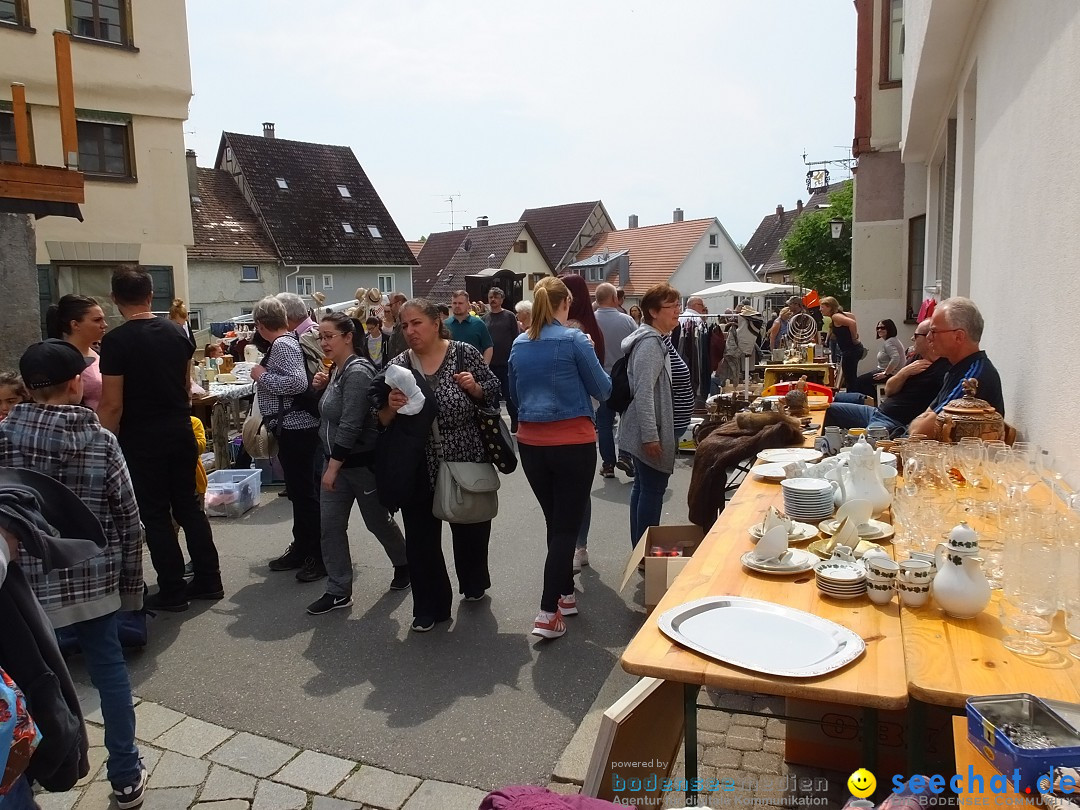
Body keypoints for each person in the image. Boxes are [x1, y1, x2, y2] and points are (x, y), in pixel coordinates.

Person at [1, 339, 147, 808]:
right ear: (74, 384)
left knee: (29, 680)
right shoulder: (101, 441)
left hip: (25, 588)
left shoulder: (3, 438)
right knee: (111, 677)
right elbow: (127, 517)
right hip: (94, 581)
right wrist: (131, 588)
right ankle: (125, 775)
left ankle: (40, 766)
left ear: (26, 387)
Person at [98, 266, 221, 612]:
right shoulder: (177, 332)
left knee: (154, 513)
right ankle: (209, 579)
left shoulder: (116, 341)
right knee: (188, 505)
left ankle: (172, 589)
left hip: (141, 435)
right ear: (151, 295)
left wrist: (103, 442)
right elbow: (186, 385)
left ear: (114, 299)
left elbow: (111, 403)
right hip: (179, 425)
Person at [376, 299, 501, 632]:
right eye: (404, 326)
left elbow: (493, 390)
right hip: (417, 461)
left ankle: (474, 582)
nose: (410, 331)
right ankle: (429, 606)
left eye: (416, 323)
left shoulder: (463, 353)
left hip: (464, 454)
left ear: (436, 322)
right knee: (420, 539)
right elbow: (380, 420)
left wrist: (475, 388)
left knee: (470, 529)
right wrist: (390, 407)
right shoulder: (398, 365)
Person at [510, 278, 610, 639]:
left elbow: (513, 394)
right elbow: (603, 388)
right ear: (565, 302)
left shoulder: (520, 343)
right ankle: (547, 610)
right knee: (566, 527)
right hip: (573, 440)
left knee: (556, 522)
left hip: (532, 443)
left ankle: (565, 596)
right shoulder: (574, 340)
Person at [305, 313, 409, 616]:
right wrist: (319, 388)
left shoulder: (358, 371)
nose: (323, 342)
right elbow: (327, 413)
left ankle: (404, 564)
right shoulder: (336, 370)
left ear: (348, 336)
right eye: (320, 337)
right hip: (335, 461)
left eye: (329, 336)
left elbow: (350, 424)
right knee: (331, 527)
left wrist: (333, 467)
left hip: (360, 464)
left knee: (377, 522)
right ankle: (339, 590)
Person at [250, 297, 325, 582]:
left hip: (298, 430)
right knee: (300, 493)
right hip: (296, 428)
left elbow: (297, 383)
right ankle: (304, 549)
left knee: (305, 495)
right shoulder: (288, 341)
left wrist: (262, 375)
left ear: (259, 324)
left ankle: (317, 557)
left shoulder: (282, 345)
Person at [620, 284, 694, 547]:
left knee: (644, 488)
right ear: (653, 311)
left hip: (661, 427)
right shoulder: (650, 343)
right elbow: (643, 393)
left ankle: (641, 549)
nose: (678, 310)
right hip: (655, 431)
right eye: (671, 306)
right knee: (652, 491)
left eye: (678, 304)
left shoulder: (658, 339)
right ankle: (646, 552)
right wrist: (651, 436)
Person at [823, 320, 948, 435]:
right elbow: (888, 391)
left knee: (866, 444)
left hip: (892, 422)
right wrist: (904, 373)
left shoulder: (943, 370)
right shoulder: (916, 358)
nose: (911, 338)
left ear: (930, 338)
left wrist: (886, 373)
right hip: (877, 412)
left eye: (915, 336)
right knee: (826, 411)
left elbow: (934, 412)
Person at [908, 297, 1004, 438]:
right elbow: (927, 416)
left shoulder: (972, 377)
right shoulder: (957, 369)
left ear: (958, 336)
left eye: (934, 331)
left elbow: (921, 431)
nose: (928, 337)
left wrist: (920, 423)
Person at [593, 283, 638, 482]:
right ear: (614, 298)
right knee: (627, 420)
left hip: (600, 377)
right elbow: (637, 346)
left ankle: (608, 463)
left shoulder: (591, 321)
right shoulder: (627, 321)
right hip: (624, 377)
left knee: (604, 424)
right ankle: (626, 456)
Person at [45, 294, 108, 411]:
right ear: (75, 324)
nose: (104, 325)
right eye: (97, 320)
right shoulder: (59, 361)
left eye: (103, 319)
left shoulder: (101, 353)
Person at [482, 287, 520, 432]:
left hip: (506, 363)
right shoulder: (484, 318)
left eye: (496, 297)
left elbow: (515, 337)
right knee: (492, 397)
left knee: (509, 395)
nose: (493, 300)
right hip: (491, 364)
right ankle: (496, 424)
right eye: (491, 297)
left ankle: (515, 422)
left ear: (502, 299)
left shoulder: (509, 316)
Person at [848, 318, 907, 398]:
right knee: (862, 380)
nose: (879, 330)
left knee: (860, 382)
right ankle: (873, 399)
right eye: (878, 328)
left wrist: (885, 373)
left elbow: (896, 358)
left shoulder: (890, 342)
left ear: (890, 329)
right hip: (888, 372)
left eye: (882, 328)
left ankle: (872, 401)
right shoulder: (891, 341)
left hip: (891, 374)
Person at [819, 296, 863, 391]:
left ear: (829, 307)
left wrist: (854, 337)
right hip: (854, 349)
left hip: (850, 350)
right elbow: (852, 317)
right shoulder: (841, 314)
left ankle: (853, 399)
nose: (820, 309)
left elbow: (852, 323)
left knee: (850, 379)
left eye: (822, 307)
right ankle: (853, 397)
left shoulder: (836, 316)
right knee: (851, 377)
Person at [445, 290, 493, 363]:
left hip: (473, 371)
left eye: (460, 303)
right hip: (450, 370)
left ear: (468, 304)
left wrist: (484, 368)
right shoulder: (445, 325)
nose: (457, 306)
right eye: (454, 303)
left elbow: (488, 347)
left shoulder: (478, 324)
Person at [386, 292, 409, 358]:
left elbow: (401, 349)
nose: (390, 308)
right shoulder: (398, 322)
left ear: (399, 303)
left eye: (391, 305)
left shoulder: (403, 322)